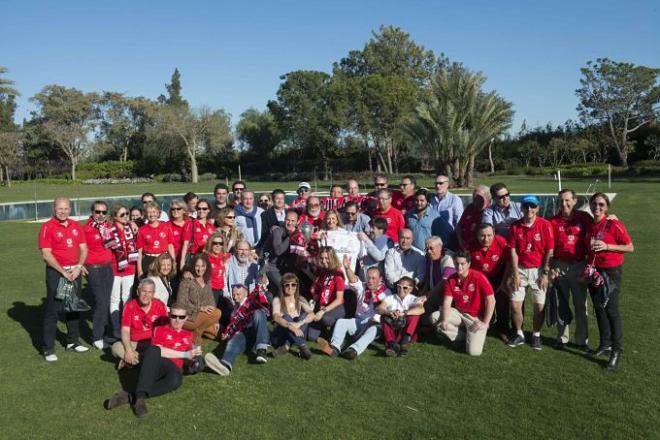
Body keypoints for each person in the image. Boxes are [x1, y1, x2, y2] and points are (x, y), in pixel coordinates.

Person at [104, 302, 200, 418]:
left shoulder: (188, 335)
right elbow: (158, 351)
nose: (177, 320)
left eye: (181, 317)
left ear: (186, 318)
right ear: (169, 315)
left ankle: (129, 395)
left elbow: (188, 357)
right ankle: (139, 399)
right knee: (153, 350)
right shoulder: (160, 330)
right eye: (174, 316)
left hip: (174, 369)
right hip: (155, 364)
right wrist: (184, 354)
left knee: (176, 380)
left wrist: (194, 360)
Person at [585, 192, 634, 370]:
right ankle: (605, 344)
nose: (597, 208)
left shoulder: (613, 224)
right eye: (594, 204)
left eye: (601, 205)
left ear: (607, 207)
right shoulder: (591, 225)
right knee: (599, 307)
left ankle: (616, 350)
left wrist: (607, 246)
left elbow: (630, 247)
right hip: (594, 272)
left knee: (611, 309)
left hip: (611, 272)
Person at [39, 197, 89, 361]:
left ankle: (72, 341)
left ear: (70, 209)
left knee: (73, 308)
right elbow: (47, 255)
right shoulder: (47, 227)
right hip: (56, 273)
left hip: (74, 272)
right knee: (53, 310)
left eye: (66, 208)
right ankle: (48, 349)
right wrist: (63, 272)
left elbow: (83, 249)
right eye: (60, 208)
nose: (63, 211)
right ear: (54, 208)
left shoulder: (75, 225)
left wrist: (78, 266)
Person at [507, 195, 554, 350]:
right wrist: (514, 273)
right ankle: (520, 333)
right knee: (515, 305)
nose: (529, 209)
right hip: (520, 269)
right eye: (526, 206)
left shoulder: (545, 225)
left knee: (539, 306)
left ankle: (536, 334)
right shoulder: (515, 226)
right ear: (521, 208)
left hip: (539, 270)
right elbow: (513, 251)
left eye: (532, 206)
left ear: (537, 208)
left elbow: (549, 250)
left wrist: (545, 273)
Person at [548, 189, 592, 351]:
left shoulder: (584, 218)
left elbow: (598, 231)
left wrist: (611, 219)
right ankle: (562, 338)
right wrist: (550, 268)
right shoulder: (552, 221)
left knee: (581, 305)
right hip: (560, 266)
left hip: (579, 265)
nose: (564, 204)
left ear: (574, 201)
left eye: (567, 200)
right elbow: (550, 249)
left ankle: (581, 340)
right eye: (561, 201)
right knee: (561, 303)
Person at [319, 262, 389, 360]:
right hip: (358, 321)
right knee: (341, 322)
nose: (370, 281)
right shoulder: (362, 287)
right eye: (368, 277)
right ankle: (334, 348)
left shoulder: (386, 293)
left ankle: (353, 350)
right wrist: (347, 268)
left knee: (374, 329)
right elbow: (353, 279)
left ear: (380, 279)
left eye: (374, 278)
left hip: (374, 324)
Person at [434, 251, 496, 356]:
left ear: (469, 264)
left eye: (462, 264)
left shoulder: (478, 277)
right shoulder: (451, 279)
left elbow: (491, 300)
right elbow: (447, 301)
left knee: (474, 352)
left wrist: (485, 323)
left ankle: (471, 336)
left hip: (475, 318)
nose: (459, 267)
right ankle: (462, 336)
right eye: (457, 263)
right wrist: (444, 320)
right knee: (434, 317)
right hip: (459, 312)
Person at [204, 281, 271, 375]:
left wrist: (262, 289)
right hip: (244, 340)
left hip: (256, 334)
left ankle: (262, 349)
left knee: (258, 312)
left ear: (246, 293)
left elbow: (260, 297)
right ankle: (225, 365)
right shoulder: (233, 313)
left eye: (238, 294)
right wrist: (226, 334)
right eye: (233, 294)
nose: (235, 297)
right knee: (233, 339)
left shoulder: (252, 302)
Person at [110, 279, 169, 366]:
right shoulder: (130, 306)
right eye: (144, 291)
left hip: (153, 342)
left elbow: (165, 329)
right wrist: (129, 350)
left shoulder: (160, 305)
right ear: (138, 292)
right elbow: (125, 330)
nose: (146, 295)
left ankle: (133, 361)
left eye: (149, 292)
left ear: (153, 293)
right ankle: (143, 360)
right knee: (116, 347)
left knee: (161, 348)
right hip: (135, 342)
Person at [469, 224, 510, 342]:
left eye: (489, 235)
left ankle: (503, 328)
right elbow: (468, 265)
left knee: (502, 299)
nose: (486, 239)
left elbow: (508, 262)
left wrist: (505, 281)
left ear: (494, 234)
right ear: (477, 235)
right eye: (482, 236)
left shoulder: (501, 242)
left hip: (499, 274)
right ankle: (488, 323)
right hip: (481, 277)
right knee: (483, 301)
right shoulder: (471, 246)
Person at [82, 200, 114, 349]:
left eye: (103, 212)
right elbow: (79, 248)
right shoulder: (86, 229)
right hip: (93, 268)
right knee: (101, 301)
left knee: (107, 301)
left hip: (108, 267)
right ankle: (97, 337)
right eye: (97, 212)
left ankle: (106, 334)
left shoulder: (107, 226)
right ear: (92, 212)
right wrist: (80, 265)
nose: (100, 215)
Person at [108, 204, 139, 339]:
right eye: (122, 215)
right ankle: (115, 329)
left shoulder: (131, 228)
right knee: (114, 300)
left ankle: (126, 327)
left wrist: (131, 222)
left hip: (130, 268)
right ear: (115, 217)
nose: (126, 216)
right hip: (115, 269)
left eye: (127, 213)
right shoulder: (109, 230)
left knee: (127, 299)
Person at [177, 254, 221, 345]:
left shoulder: (207, 280)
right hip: (188, 316)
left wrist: (216, 321)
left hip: (200, 316)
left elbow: (211, 300)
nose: (200, 269)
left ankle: (194, 331)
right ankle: (197, 333)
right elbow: (181, 304)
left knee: (214, 333)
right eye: (197, 266)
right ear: (193, 266)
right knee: (217, 313)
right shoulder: (187, 280)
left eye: (203, 266)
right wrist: (200, 308)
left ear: (206, 266)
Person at [375, 276, 425, 357]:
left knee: (415, 316)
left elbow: (421, 309)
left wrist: (405, 313)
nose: (401, 289)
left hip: (405, 331)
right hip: (394, 329)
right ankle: (392, 344)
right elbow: (378, 309)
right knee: (383, 317)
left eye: (405, 287)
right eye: (399, 286)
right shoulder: (390, 298)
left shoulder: (414, 299)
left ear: (410, 289)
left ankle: (405, 342)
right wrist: (389, 312)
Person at [270, 273, 314, 360]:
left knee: (305, 315)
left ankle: (286, 346)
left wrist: (300, 323)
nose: (290, 287)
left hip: (296, 333)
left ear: (297, 286)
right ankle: (303, 347)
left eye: (293, 284)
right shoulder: (277, 300)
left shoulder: (300, 299)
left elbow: (312, 314)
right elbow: (276, 317)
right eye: (287, 285)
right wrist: (291, 327)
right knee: (286, 316)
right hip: (279, 336)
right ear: (282, 287)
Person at [306, 247, 346, 342]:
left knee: (325, 318)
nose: (324, 261)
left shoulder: (338, 274)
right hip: (322, 306)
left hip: (336, 307)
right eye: (322, 258)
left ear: (332, 258)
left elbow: (339, 299)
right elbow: (316, 290)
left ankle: (334, 330)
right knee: (311, 336)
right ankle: (323, 332)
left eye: (327, 258)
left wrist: (323, 311)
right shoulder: (323, 271)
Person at [418, 236, 455, 318]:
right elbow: (428, 276)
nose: (429, 252)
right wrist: (423, 291)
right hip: (434, 292)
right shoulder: (429, 257)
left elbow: (444, 281)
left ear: (440, 247)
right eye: (427, 249)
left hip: (447, 295)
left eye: (431, 248)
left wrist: (428, 295)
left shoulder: (448, 258)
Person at [136, 201, 175, 278]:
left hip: (163, 259)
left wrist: (173, 262)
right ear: (146, 214)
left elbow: (170, 246)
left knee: (164, 285)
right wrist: (140, 271)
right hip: (149, 260)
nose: (152, 214)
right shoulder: (142, 230)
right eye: (149, 212)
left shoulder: (166, 226)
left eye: (154, 212)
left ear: (158, 213)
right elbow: (139, 252)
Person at [203, 231, 232, 323]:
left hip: (222, 290)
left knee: (227, 313)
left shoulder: (224, 256)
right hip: (210, 290)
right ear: (210, 244)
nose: (217, 246)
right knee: (212, 315)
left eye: (220, 243)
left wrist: (251, 255)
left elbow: (236, 257)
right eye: (215, 243)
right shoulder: (205, 258)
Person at [179, 199, 216, 270]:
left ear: (208, 210)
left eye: (204, 209)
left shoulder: (211, 227)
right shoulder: (190, 224)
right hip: (194, 257)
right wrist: (182, 263)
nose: (201, 211)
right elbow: (185, 245)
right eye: (199, 208)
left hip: (208, 259)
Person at [456, 185, 491, 250]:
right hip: (463, 245)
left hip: (479, 247)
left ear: (487, 197)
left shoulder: (490, 211)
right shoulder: (470, 207)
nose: (474, 198)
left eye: (478, 196)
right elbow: (459, 226)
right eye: (474, 196)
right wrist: (460, 240)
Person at [167, 199, 189, 268]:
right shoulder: (167, 225)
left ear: (184, 210)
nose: (175, 211)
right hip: (173, 259)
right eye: (173, 209)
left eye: (178, 209)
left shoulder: (190, 223)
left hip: (188, 258)